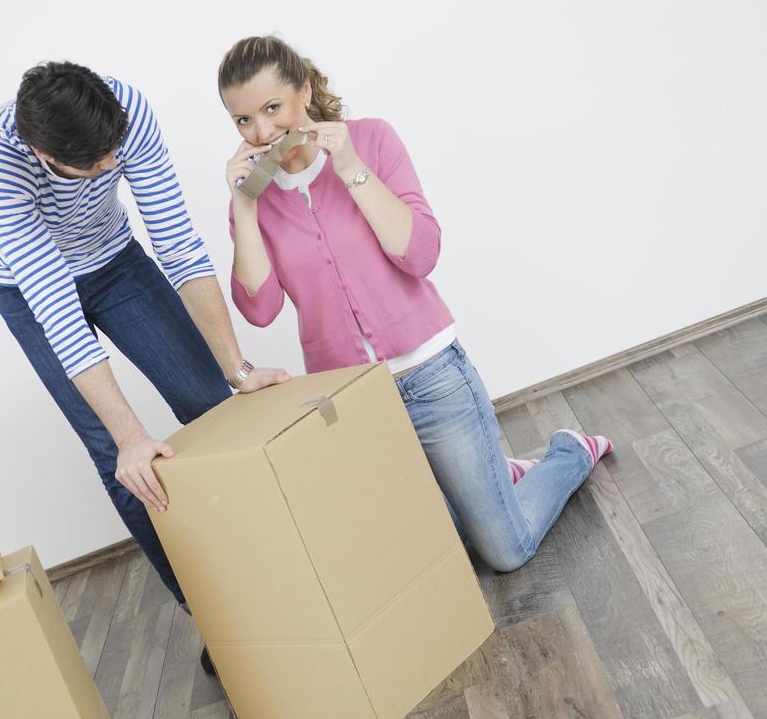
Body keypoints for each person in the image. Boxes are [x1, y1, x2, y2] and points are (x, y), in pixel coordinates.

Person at [218, 36, 611, 572]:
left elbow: (420, 255)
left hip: (432, 376)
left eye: (271, 109)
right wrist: (243, 205)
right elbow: (260, 310)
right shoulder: (258, 195)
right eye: (242, 120)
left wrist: (350, 166)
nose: (261, 132)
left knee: (504, 551)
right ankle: (498, 481)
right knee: (433, 545)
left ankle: (567, 452)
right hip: (355, 399)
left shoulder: (371, 140)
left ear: (303, 91)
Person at [0, 60, 289, 628]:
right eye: (96, 166)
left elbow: (177, 242)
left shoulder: (126, 108)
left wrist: (237, 370)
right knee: (122, 457)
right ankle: (213, 614)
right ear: (45, 157)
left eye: (114, 150)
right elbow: (55, 305)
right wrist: (131, 435)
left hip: (115, 261)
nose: (112, 166)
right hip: (27, 288)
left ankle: (275, 566)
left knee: (212, 403)